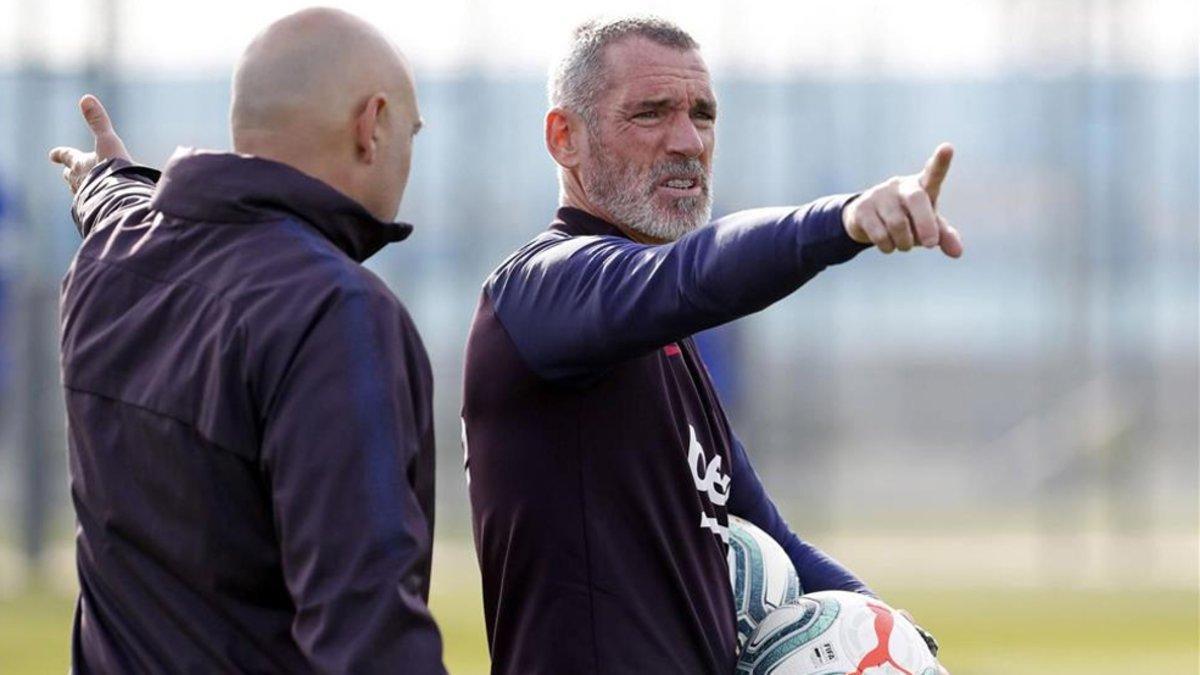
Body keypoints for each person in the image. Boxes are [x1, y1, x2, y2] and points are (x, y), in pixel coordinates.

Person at [461, 16, 958, 674]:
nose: (689, 141)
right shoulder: (539, 292)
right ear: (565, 138)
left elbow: (771, 535)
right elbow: (692, 273)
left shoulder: (667, 339)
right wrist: (840, 221)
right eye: (651, 113)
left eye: (703, 114)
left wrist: (893, 641)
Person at [48, 8, 443, 673]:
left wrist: (102, 180)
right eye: (412, 131)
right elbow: (365, 621)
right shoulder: (335, 309)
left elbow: (118, 208)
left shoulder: (109, 257)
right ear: (371, 124)